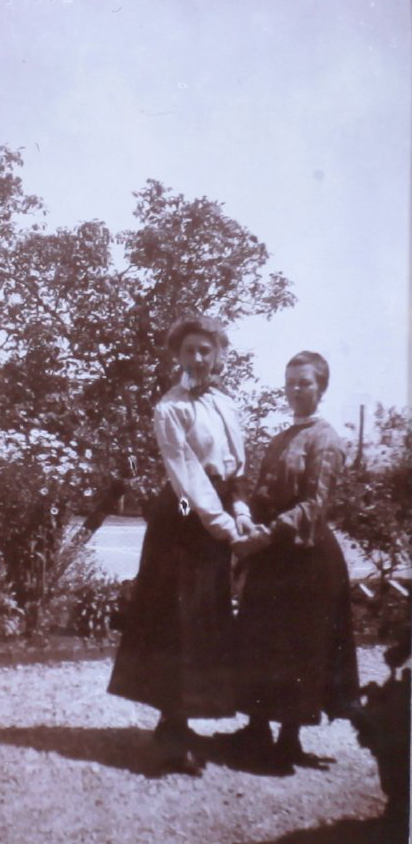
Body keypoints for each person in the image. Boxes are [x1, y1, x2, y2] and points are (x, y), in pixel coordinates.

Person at [108, 313, 252, 775]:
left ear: (219, 355)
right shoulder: (169, 408)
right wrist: (227, 528)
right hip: (185, 519)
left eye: (205, 350)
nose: (197, 357)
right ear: (178, 356)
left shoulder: (227, 405)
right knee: (179, 623)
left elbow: (236, 466)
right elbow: (188, 476)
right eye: (189, 350)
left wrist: (243, 510)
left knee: (206, 620)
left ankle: (180, 720)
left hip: (216, 516)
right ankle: (173, 731)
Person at [234, 351, 359, 770]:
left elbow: (315, 503)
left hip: (305, 557)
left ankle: (288, 741)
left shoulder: (326, 439)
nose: (295, 390)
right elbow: (261, 492)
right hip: (272, 554)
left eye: (304, 383)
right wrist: (247, 523)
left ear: (321, 388)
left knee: (295, 647)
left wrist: (269, 535)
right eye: (289, 382)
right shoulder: (281, 437)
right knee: (258, 638)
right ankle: (255, 729)